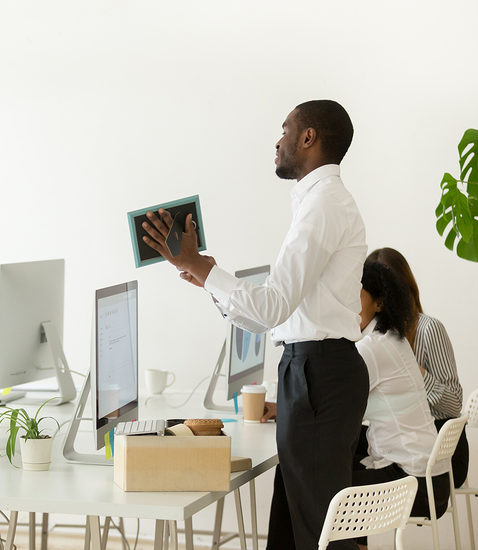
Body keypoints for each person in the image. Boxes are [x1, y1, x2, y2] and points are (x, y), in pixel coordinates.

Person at [142, 100, 368, 549]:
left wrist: (202, 268)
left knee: (319, 535)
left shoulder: (323, 205)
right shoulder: (319, 202)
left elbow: (272, 308)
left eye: (285, 130)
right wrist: (205, 275)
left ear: (309, 137)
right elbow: (270, 314)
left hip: (319, 374)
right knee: (295, 527)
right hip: (315, 371)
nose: (278, 141)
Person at [352, 260, 451, 547]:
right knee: (340, 472)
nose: (347, 302)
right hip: (431, 480)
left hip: (414, 484)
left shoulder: (372, 348)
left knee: (327, 490)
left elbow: (336, 402)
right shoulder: (393, 339)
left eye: (356, 295)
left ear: (379, 303)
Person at [366, 247, 468, 487]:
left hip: (442, 454)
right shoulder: (375, 339)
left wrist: (415, 373)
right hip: (404, 446)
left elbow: (454, 404)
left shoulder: (429, 329)